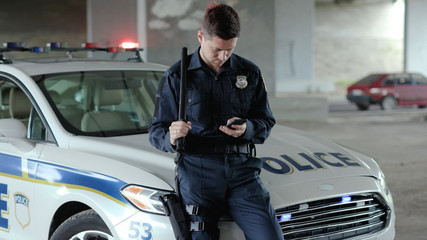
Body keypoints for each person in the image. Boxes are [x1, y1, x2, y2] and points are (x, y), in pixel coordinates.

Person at [149, 3, 283, 240]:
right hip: (198, 172)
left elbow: (266, 122)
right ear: (201, 37)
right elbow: (156, 131)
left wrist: (247, 129)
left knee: (269, 236)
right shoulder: (177, 76)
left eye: (229, 50)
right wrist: (170, 135)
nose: (223, 57)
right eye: (218, 49)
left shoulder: (249, 72)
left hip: (242, 172)